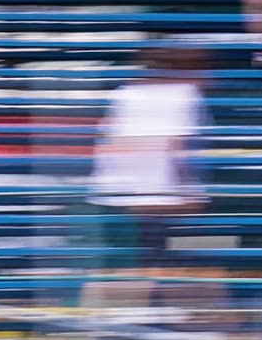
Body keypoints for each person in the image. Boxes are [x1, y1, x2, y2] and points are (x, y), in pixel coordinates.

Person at [89, 44, 208, 284]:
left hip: (119, 192)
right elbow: (177, 147)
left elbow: (106, 137)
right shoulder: (181, 93)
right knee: (155, 265)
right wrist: (189, 192)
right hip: (157, 194)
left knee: (126, 267)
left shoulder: (127, 91)